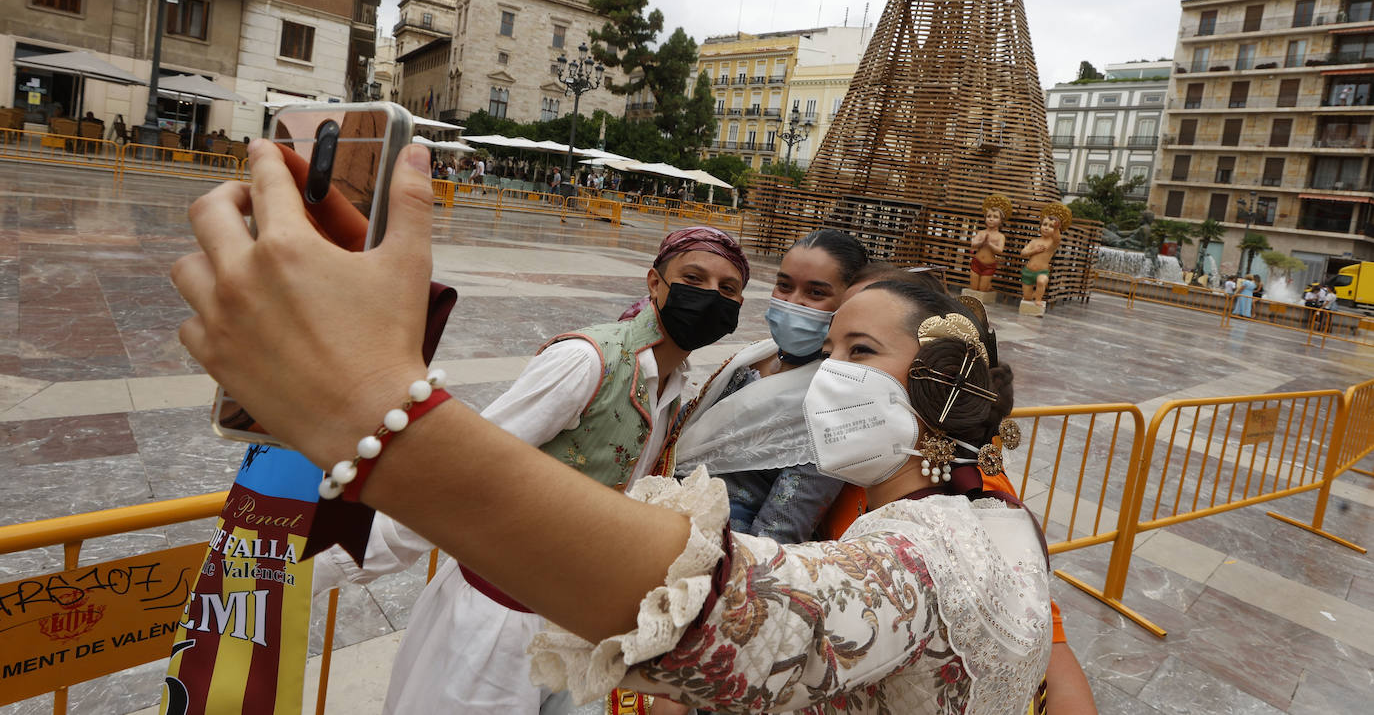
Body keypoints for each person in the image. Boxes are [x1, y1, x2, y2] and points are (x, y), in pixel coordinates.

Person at [172, 142, 1051, 714]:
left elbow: (724, 611)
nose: (832, 374)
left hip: (555, 615)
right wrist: (319, 559)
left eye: (857, 346)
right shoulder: (1001, 521)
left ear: (942, 383)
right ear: (657, 279)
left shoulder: (913, 557)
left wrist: (374, 410)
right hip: (502, 611)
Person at [310, 222, 749, 712]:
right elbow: (460, 470)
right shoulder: (587, 362)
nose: (711, 296)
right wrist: (324, 565)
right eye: (694, 278)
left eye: (728, 289)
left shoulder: (673, 388)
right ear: (654, 283)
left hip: (571, 632)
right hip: (493, 621)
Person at [672, 229, 870, 544]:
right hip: (663, 507)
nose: (793, 303)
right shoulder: (753, 357)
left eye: (815, 293)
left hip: (716, 546)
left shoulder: (835, 408)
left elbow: (776, 536)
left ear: (850, 304)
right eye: (784, 286)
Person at [1021, 202, 1072, 309]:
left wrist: (1057, 228)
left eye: (1051, 226)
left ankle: (1038, 299)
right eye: (1044, 225)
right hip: (1028, 271)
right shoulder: (1034, 241)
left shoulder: (1052, 244)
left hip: (1041, 272)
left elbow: (1058, 239)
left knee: (1041, 281)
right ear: (1040, 226)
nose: (1046, 228)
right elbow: (1023, 253)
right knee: (1027, 297)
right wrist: (1034, 251)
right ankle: (1033, 296)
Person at [968, 194, 1012, 292]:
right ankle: (988, 286)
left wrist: (989, 244)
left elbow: (1000, 251)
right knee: (974, 288)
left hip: (989, 265)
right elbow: (973, 244)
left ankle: (988, 286)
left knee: (982, 289)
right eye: (989, 216)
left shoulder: (1000, 236)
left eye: (995, 217)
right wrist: (982, 242)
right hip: (976, 263)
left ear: (1001, 221)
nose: (991, 219)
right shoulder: (982, 233)